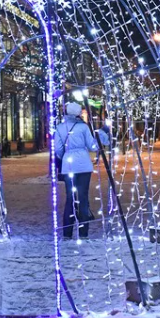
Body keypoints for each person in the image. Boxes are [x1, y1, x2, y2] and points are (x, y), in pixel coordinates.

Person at [53, 102, 99, 239]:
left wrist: (65, 156)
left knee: (70, 198)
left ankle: (67, 232)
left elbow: (58, 149)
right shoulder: (83, 127)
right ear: (78, 113)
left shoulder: (60, 128)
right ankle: (84, 232)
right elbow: (92, 146)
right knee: (83, 197)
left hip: (69, 166)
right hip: (84, 165)